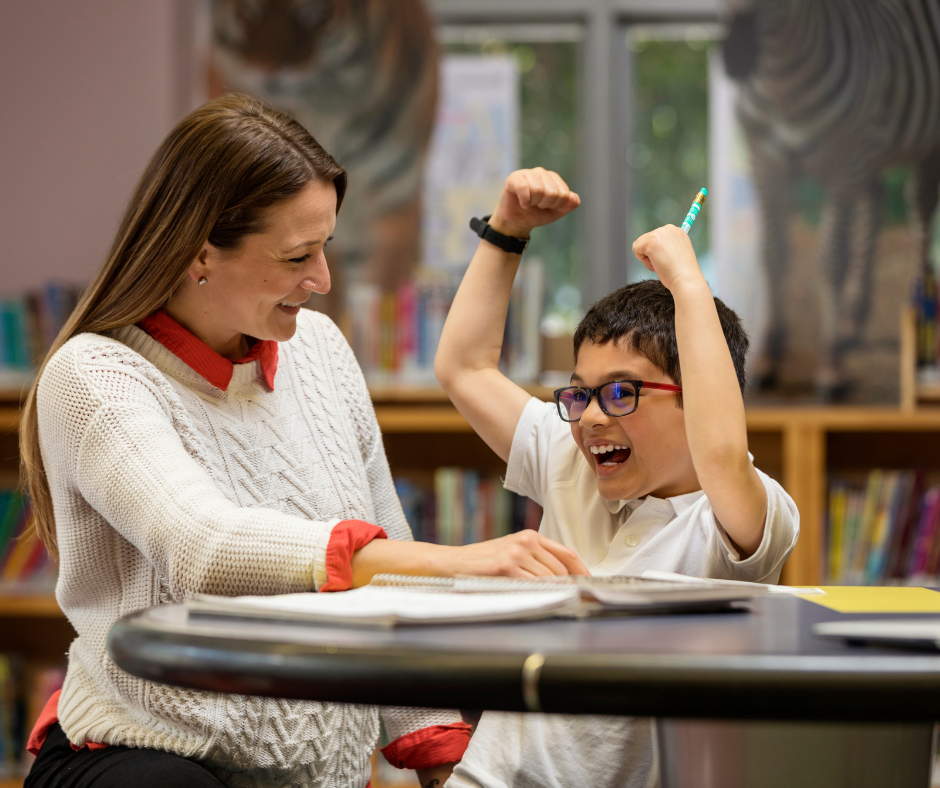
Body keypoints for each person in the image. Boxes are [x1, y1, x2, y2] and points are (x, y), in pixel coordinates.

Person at [19, 96, 587, 788]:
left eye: (325, 248)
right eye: (297, 255)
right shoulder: (94, 375)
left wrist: (438, 754)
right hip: (146, 759)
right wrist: (461, 562)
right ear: (201, 251)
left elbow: (387, 547)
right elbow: (204, 545)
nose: (322, 280)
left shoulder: (319, 348)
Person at [434, 168, 800, 788]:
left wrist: (688, 284)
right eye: (581, 393)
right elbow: (463, 367)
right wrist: (509, 230)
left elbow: (719, 454)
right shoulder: (568, 457)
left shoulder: (733, 519)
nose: (592, 418)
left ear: (699, 397)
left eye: (623, 392)